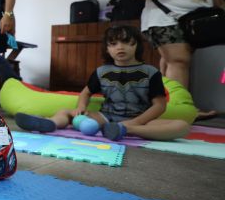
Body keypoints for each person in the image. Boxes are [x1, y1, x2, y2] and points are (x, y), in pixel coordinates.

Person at [15, 25, 190, 141]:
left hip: (141, 120)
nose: (120, 47)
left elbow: (159, 105)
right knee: (65, 112)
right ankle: (50, 124)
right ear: (107, 49)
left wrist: (135, 123)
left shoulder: (151, 72)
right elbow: (86, 92)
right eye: (113, 44)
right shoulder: (102, 72)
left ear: (137, 45)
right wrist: (81, 107)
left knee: (181, 126)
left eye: (126, 42)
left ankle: (125, 131)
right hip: (105, 118)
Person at [137, 0, 223, 118]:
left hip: (194, 24)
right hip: (165, 18)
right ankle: (180, 108)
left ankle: (166, 106)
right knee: (179, 60)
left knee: (173, 63)